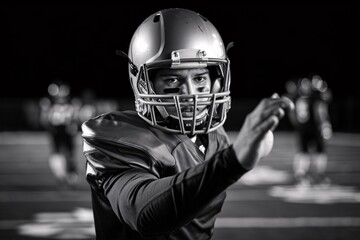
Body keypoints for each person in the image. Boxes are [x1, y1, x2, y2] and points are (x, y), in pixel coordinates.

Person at [81, 8, 293, 240]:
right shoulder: (120, 138)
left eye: (200, 78)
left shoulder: (215, 137)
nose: (190, 94)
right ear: (143, 84)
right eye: (173, 79)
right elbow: (142, 213)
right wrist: (232, 162)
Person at [285, 74, 333, 187]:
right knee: (318, 151)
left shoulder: (297, 97)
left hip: (302, 128)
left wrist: (297, 125)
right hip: (314, 127)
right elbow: (321, 111)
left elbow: (292, 113)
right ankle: (318, 175)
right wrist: (325, 125)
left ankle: (301, 176)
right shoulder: (316, 97)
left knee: (303, 152)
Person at [39, 79, 79, 187]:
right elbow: (44, 119)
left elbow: (75, 117)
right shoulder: (48, 102)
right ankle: (61, 174)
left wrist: (73, 125)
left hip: (66, 130)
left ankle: (71, 175)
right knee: (57, 152)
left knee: (70, 153)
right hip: (56, 130)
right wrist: (49, 127)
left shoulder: (72, 102)